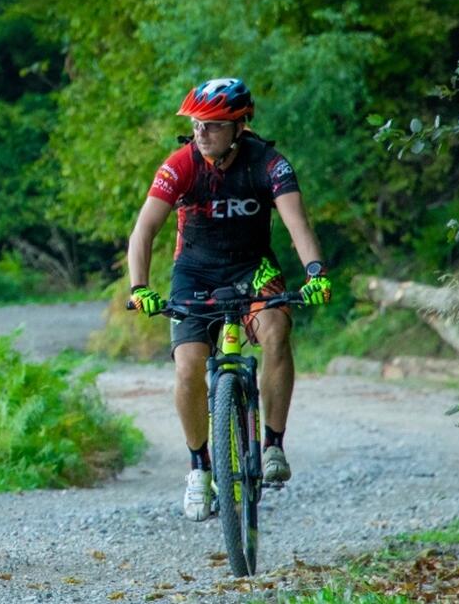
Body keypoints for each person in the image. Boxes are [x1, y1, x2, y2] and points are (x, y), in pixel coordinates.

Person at [124, 77, 332, 522]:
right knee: (188, 366)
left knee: (276, 329)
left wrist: (315, 273)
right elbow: (143, 231)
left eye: (214, 126)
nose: (202, 133)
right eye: (197, 124)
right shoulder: (181, 164)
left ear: (240, 126)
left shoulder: (269, 164)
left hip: (252, 268)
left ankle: (273, 444)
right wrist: (138, 286)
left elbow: (298, 225)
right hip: (194, 272)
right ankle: (199, 467)